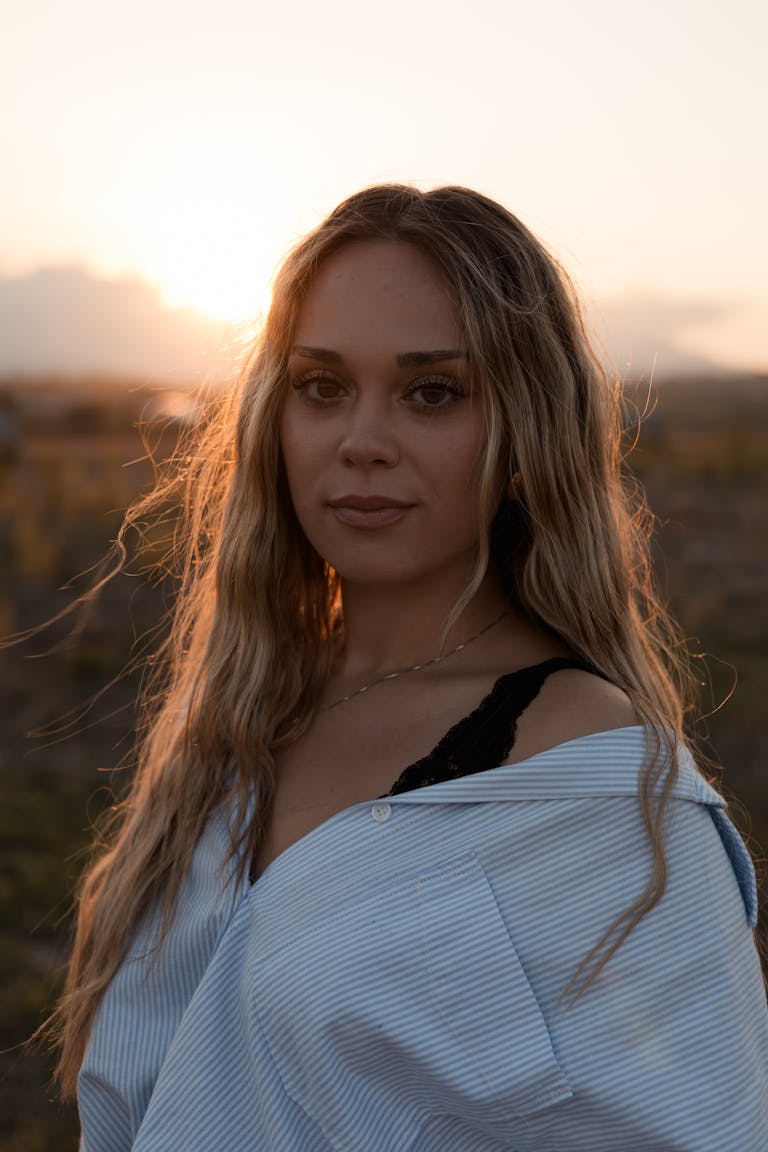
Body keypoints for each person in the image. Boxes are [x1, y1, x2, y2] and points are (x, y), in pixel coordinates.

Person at [55, 185, 766, 1149]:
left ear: (528, 431)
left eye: (433, 392)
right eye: (322, 386)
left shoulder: (598, 789)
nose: (361, 442)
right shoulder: (237, 717)